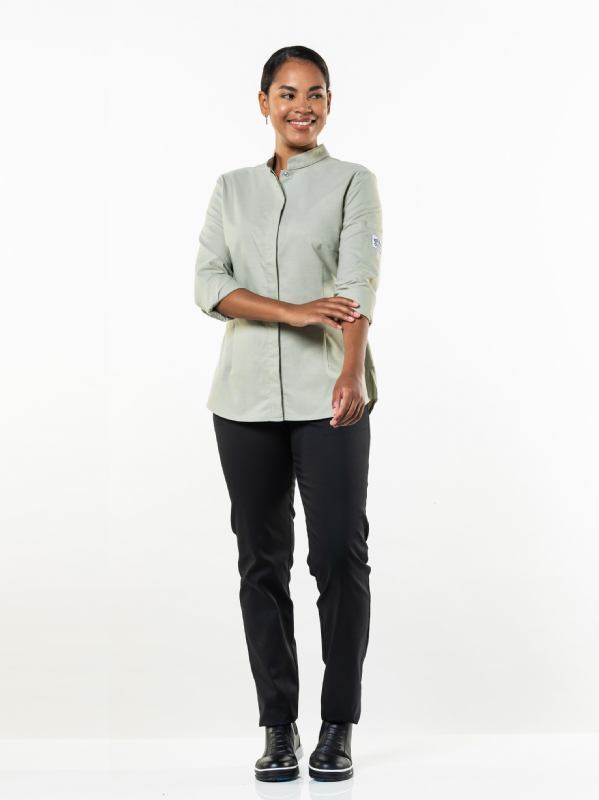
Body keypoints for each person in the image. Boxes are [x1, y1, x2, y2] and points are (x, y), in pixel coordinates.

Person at [194, 45, 383, 783]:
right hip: (241, 400)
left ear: (328, 103)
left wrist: (349, 370)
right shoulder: (231, 189)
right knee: (260, 563)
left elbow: (357, 285)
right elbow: (209, 284)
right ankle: (278, 724)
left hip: (329, 394)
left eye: (315, 93)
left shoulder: (352, 182)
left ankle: (338, 725)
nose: (301, 106)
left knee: (338, 556)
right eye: (287, 92)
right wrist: (295, 311)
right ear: (264, 102)